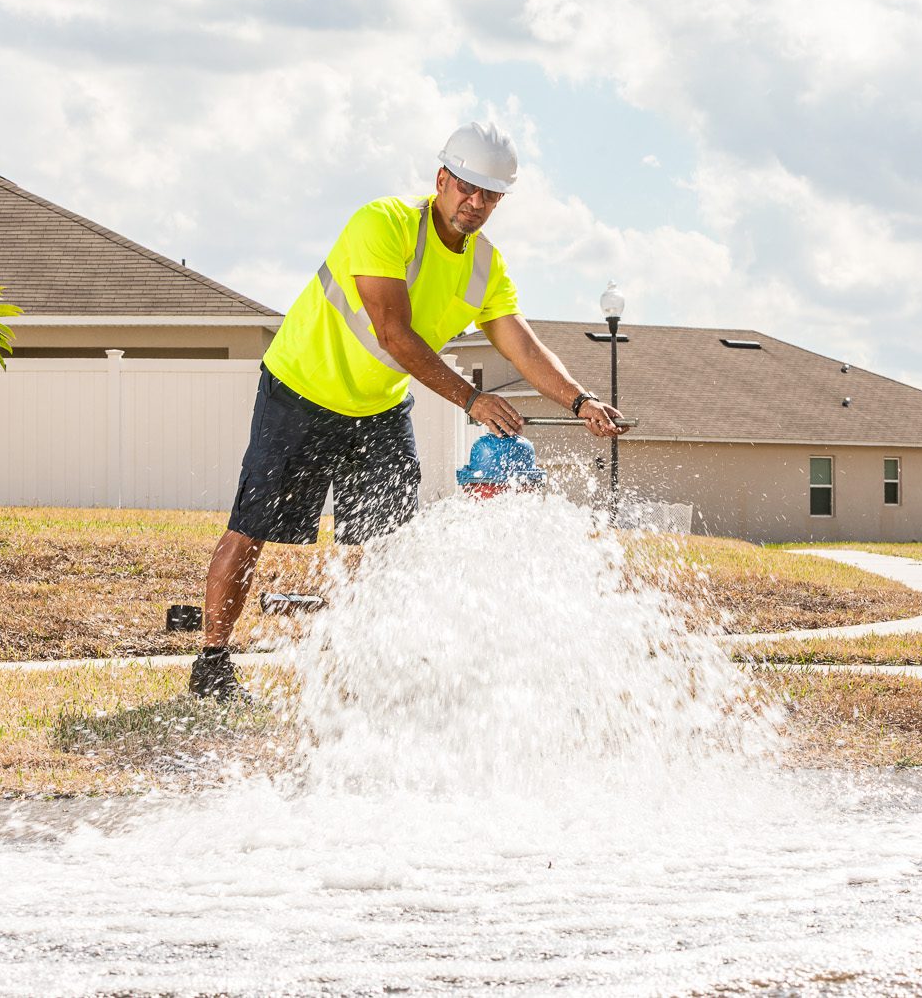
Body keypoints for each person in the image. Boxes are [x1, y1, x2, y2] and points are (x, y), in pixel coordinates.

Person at [190, 122, 627, 699]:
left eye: (490, 195)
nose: (475, 202)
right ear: (442, 179)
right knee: (251, 530)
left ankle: (362, 656)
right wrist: (471, 399)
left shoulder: (484, 267)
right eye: (466, 187)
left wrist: (579, 399)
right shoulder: (385, 223)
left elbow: (520, 343)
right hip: (300, 390)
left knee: (385, 540)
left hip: (378, 408)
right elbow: (394, 333)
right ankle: (213, 661)